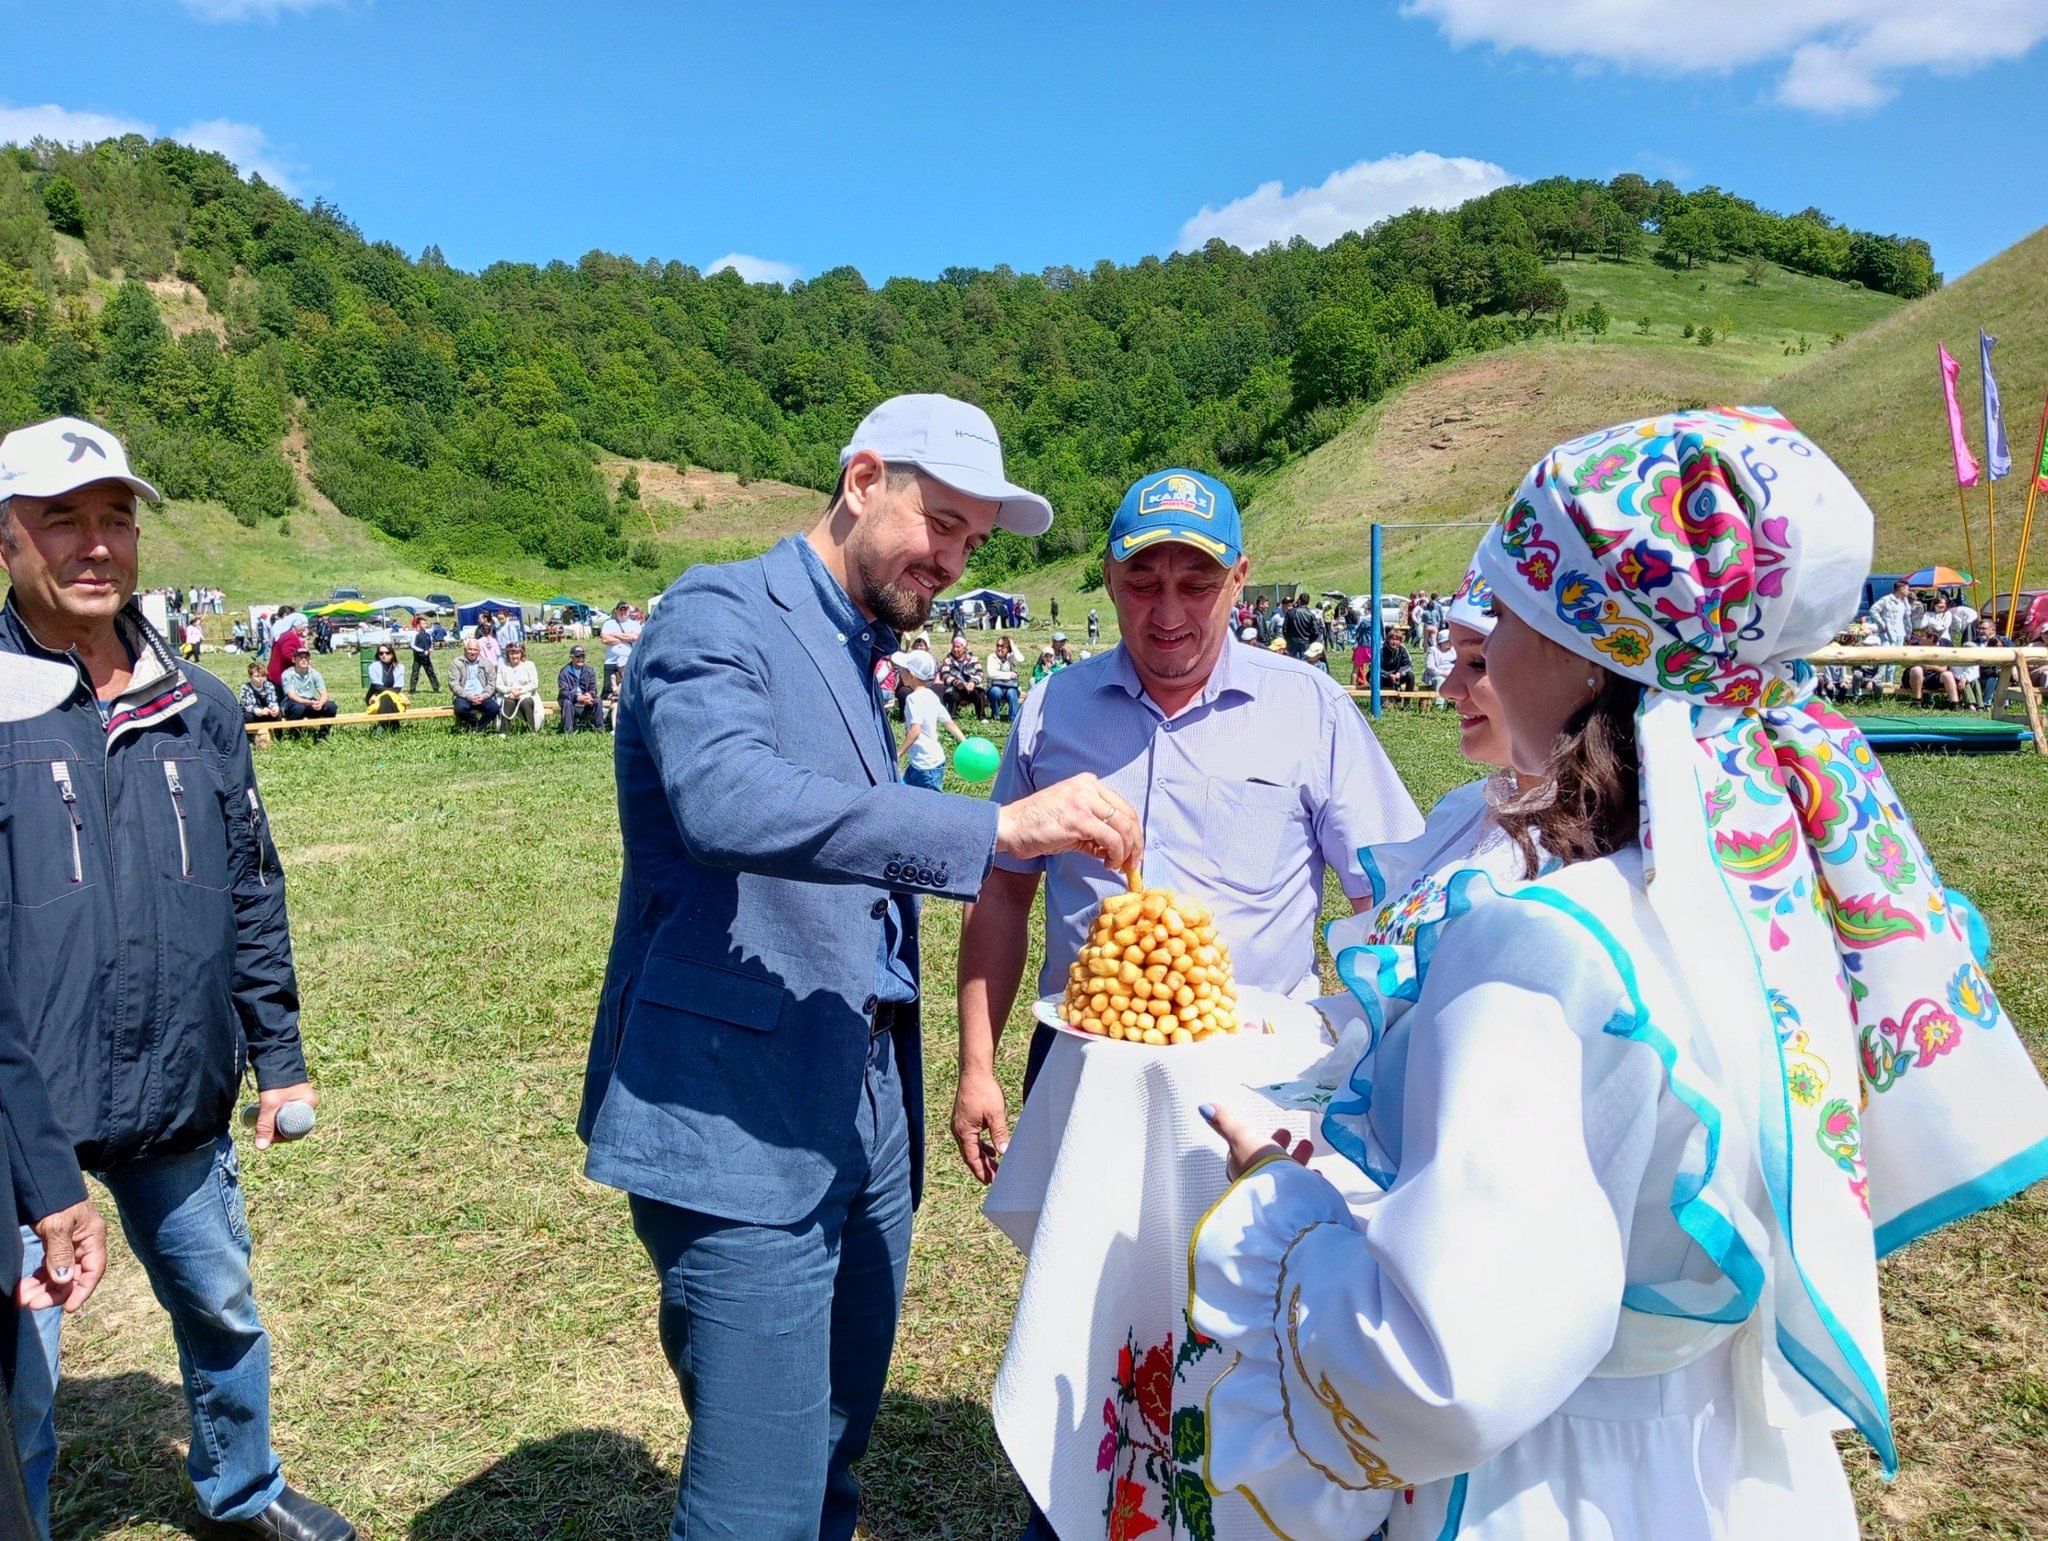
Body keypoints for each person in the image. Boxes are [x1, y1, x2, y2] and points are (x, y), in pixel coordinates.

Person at [1189, 408, 2048, 1540]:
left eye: (1501, 610)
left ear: (1581, 644)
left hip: (1557, 1482)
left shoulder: (1542, 944)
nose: (1482, 649)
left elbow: (1441, 1359)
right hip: (1739, 1466)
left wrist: (1280, 1205)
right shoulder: (1778, 903)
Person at [578, 394, 1141, 1541]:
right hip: (740, 1117)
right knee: (755, 1503)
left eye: (973, 542)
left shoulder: (855, 639)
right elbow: (725, 799)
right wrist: (990, 830)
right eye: (939, 522)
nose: (951, 559)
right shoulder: (716, 610)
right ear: (861, 478)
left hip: (863, 1102)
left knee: (832, 1452)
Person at [0, 416, 352, 1541]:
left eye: (116, 519)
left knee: (222, 1305)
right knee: (20, 1381)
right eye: (62, 521)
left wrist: (279, 1056)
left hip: (176, 1090)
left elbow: (251, 883)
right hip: (23, 1117)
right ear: (7, 539)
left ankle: (241, 1489)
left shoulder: (198, 705)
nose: (96, 546)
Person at [955, 466, 1420, 1164]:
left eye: (1197, 585)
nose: (1168, 614)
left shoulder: (1310, 709)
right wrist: (978, 1063)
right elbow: (1001, 894)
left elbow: (1388, 901)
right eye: (1143, 584)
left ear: (1239, 579)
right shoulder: (1054, 709)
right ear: (1109, 579)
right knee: (1079, 1268)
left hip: (1256, 1069)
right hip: (1084, 1052)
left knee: (1246, 1267)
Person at [895, 648, 964, 790]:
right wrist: (965, 742)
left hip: (925, 766)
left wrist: (898, 754)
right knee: (903, 794)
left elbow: (915, 730)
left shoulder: (913, 698)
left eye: (902, 668)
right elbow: (949, 723)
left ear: (911, 675)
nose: (899, 671)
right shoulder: (931, 696)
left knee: (931, 806)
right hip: (925, 763)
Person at [280, 648, 339, 739]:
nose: (304, 660)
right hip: (292, 703)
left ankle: (323, 735)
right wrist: (307, 702)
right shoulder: (287, 674)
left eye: (306, 657)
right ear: (294, 659)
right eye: (301, 657)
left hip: (310, 703)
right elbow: (291, 695)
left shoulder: (315, 674)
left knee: (331, 706)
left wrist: (321, 703)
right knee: (298, 707)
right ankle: (295, 735)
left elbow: (324, 693)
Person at [448, 638, 500, 731]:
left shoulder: (487, 664)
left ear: (479, 651)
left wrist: (484, 696)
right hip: (464, 696)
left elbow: (492, 683)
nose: (472, 652)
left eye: (475, 650)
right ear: (465, 650)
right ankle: (477, 726)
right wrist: (467, 696)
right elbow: (453, 684)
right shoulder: (456, 663)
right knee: (460, 708)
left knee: (494, 708)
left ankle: (475, 728)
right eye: (470, 649)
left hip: (482, 696)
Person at [1905, 621, 1961, 705]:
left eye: (1922, 636)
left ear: (1931, 638)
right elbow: (1906, 664)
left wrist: (1930, 666)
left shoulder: (1945, 645)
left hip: (1933, 675)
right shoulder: (1914, 645)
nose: (1918, 637)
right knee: (1917, 670)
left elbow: (1944, 668)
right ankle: (1917, 701)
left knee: (1948, 674)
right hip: (1913, 676)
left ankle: (1955, 704)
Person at [936, 634, 989, 720]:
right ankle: (951, 716)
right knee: (952, 694)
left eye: (958, 647)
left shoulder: (973, 659)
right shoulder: (947, 660)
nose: (955, 649)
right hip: (957, 687)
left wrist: (973, 682)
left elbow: (980, 673)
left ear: (964, 648)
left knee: (980, 693)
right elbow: (945, 675)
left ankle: (982, 716)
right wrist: (956, 682)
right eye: (953, 647)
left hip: (971, 687)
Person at [497, 640, 541, 732]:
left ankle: (531, 730)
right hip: (509, 695)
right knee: (508, 702)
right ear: (508, 654)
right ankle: (504, 731)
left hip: (526, 695)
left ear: (521, 653)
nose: (514, 656)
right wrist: (510, 690)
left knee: (526, 702)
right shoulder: (502, 666)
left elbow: (534, 683)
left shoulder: (529, 665)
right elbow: (499, 685)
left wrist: (520, 692)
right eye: (512, 653)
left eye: (517, 653)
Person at [558, 644, 604, 732]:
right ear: (571, 657)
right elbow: (564, 692)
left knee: (597, 700)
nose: (581, 659)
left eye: (583, 656)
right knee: (567, 702)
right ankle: (568, 731)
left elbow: (594, 689)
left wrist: (589, 695)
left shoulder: (590, 671)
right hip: (571, 700)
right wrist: (577, 698)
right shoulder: (564, 672)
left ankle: (600, 729)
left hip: (586, 700)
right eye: (578, 656)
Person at [600, 600, 640, 699]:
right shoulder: (609, 623)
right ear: (616, 611)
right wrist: (625, 637)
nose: (623, 612)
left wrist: (615, 634)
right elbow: (605, 639)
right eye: (621, 610)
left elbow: (635, 637)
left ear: (629, 611)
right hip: (611, 661)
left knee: (629, 689)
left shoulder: (635, 624)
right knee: (608, 691)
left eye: (625, 610)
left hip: (628, 661)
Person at [364, 643, 408, 730]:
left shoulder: (400, 668)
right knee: (386, 698)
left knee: (387, 698)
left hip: (393, 695)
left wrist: (389, 693)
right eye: (381, 653)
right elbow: (377, 687)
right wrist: (390, 693)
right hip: (374, 695)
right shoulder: (373, 667)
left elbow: (398, 687)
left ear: (392, 654)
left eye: (387, 653)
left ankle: (382, 726)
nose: (384, 655)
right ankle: (394, 725)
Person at [985, 634, 1022, 721]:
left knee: (1012, 693)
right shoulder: (991, 657)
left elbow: (1020, 659)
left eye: (1002, 646)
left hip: (1011, 687)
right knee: (995, 691)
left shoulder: (1011, 657)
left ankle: (1013, 718)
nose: (999, 648)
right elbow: (991, 673)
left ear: (1008, 648)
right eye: (998, 645)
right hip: (995, 687)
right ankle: (996, 716)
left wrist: (1012, 645)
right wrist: (1009, 675)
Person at [239, 661, 282, 726]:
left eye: (263, 676)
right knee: (248, 717)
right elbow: (246, 706)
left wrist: (274, 708)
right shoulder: (245, 687)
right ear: (250, 677)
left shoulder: (269, 685)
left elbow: (272, 700)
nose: (260, 678)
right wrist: (260, 711)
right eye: (257, 676)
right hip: (253, 712)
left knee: (278, 713)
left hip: (266, 711)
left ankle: (278, 735)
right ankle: (251, 735)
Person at [1378, 625, 1416, 692]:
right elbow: (1375, 666)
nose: (1394, 642)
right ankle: (1380, 698)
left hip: (1397, 676)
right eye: (1392, 639)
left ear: (1400, 641)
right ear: (1388, 639)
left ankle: (1407, 700)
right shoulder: (1381, 649)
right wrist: (1389, 675)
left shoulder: (1402, 649)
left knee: (1410, 675)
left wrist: (1399, 673)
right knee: (1370, 675)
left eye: (1397, 640)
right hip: (1384, 677)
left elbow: (1408, 664)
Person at [407, 615, 440, 692]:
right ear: (419, 625)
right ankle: (412, 689)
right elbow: (412, 645)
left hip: (426, 657)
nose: (425, 625)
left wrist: (430, 649)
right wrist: (422, 651)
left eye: (425, 623)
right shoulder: (415, 634)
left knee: (431, 672)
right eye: (423, 623)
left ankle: (436, 688)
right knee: (415, 673)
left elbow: (430, 644)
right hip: (418, 657)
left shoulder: (428, 635)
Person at [1421, 629, 1456, 697]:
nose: (1449, 642)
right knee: (1441, 680)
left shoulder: (1454, 650)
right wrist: (1443, 673)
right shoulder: (1433, 650)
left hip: (1453, 674)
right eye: (1447, 641)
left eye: (1450, 640)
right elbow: (1430, 667)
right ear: (1441, 641)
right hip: (1437, 675)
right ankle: (1439, 705)